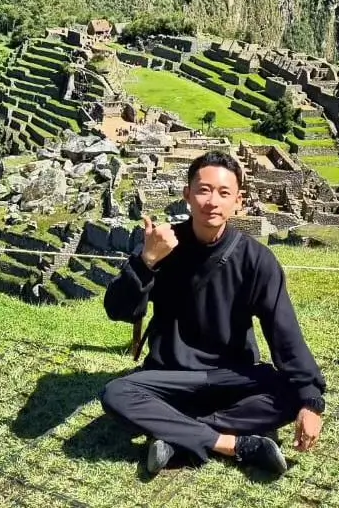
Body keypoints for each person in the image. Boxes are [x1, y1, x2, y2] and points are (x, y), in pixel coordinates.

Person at [100, 150, 326, 477]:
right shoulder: (163, 245)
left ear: (239, 201)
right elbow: (117, 310)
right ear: (187, 194)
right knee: (116, 392)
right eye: (204, 190)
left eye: (224, 193)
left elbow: (284, 332)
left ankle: (178, 435)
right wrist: (145, 261)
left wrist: (311, 401)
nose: (212, 201)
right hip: (171, 374)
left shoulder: (256, 260)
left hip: (231, 374)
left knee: (294, 395)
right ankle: (234, 444)